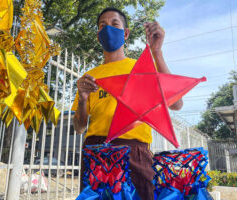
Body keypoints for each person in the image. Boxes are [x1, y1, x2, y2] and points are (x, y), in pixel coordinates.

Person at [72, 7, 183, 200]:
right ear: (98, 36)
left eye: (114, 24)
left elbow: (176, 103)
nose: (108, 29)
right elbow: (80, 127)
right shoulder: (89, 78)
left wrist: (156, 52)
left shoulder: (141, 67)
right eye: (102, 26)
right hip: (96, 152)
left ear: (126, 33)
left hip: (134, 151)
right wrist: (82, 100)